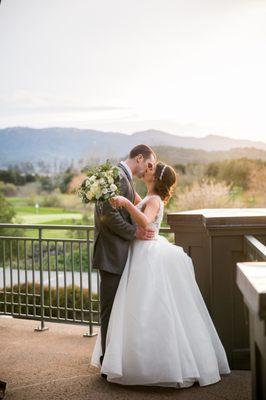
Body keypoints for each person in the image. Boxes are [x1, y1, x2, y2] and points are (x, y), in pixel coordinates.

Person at [91, 161, 231, 388]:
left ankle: (153, 364)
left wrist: (126, 203)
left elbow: (146, 221)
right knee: (137, 307)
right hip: (141, 251)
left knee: (149, 307)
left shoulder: (154, 200)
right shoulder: (148, 196)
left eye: (151, 170)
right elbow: (136, 201)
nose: (147, 170)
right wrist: (110, 188)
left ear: (156, 178)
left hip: (147, 252)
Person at [92, 144, 157, 366]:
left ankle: (113, 359)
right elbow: (108, 216)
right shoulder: (118, 176)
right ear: (139, 158)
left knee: (116, 309)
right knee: (109, 311)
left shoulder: (122, 177)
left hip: (116, 253)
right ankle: (106, 362)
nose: (148, 170)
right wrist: (135, 232)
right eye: (149, 164)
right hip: (111, 254)